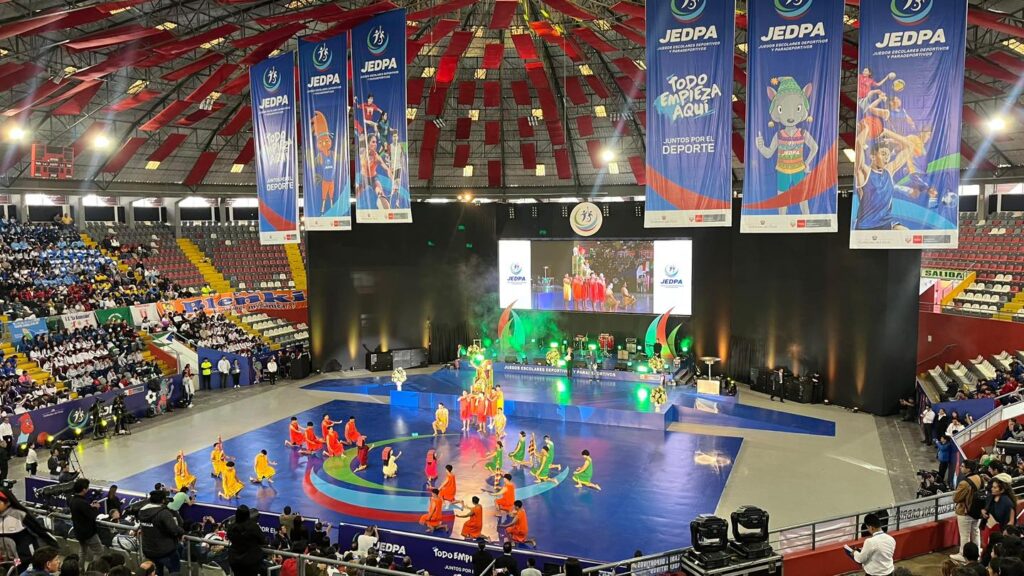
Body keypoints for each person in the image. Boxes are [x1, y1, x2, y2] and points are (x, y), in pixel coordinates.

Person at [0, 489, 58, 565]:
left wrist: (53, 546)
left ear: (7, 502)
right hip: (5, 562)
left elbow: (39, 530)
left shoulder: (20, 515)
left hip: (25, 560)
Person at [138, 490, 185, 576]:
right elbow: (174, 529)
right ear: (163, 500)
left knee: (156, 573)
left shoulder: (142, 511)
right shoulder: (163, 513)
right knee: (174, 572)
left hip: (149, 550)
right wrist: (182, 532)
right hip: (165, 551)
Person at [952, 460, 986, 562]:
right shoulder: (980, 478)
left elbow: (956, 498)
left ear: (969, 469)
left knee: (965, 535)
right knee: (976, 532)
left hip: (965, 512)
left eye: (963, 466)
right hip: (977, 511)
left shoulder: (964, 483)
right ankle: (977, 553)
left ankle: (963, 554)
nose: (960, 467)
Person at [69, 478, 104, 567]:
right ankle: (93, 570)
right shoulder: (82, 502)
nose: (88, 489)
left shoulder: (73, 500)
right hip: (88, 533)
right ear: (84, 489)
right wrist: (96, 508)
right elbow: (92, 515)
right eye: (87, 487)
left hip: (79, 532)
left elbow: (83, 511)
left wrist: (89, 507)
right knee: (99, 551)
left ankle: (80, 569)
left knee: (83, 551)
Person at [225, 505, 266, 576]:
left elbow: (229, 537)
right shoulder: (253, 527)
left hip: (235, 561)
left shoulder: (231, 526)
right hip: (250, 562)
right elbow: (263, 541)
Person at [983, 473, 1018, 545]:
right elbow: (985, 509)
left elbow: (1011, 522)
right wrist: (983, 512)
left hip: (1002, 535)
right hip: (992, 531)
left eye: (995, 487)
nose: (992, 489)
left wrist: (1004, 534)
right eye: (992, 487)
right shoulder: (991, 497)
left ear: (1002, 490)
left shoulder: (1007, 503)